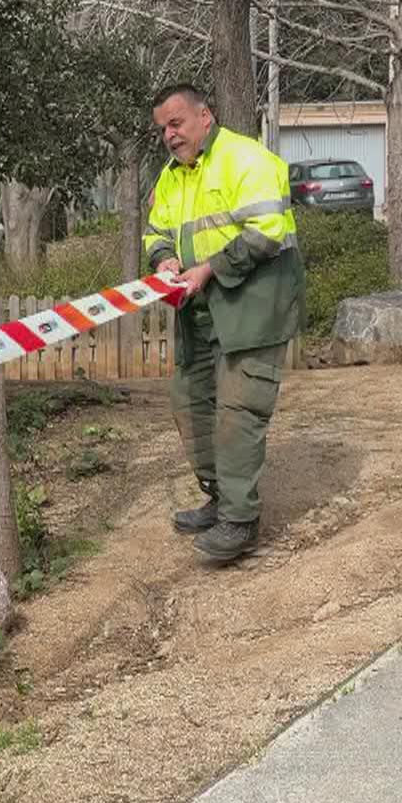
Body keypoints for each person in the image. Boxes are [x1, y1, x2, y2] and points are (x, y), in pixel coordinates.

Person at [142, 84, 304, 562]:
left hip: (254, 304)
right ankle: (219, 498)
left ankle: (241, 520)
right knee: (189, 400)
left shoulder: (245, 158)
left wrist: (207, 268)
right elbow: (155, 231)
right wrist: (165, 260)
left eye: (176, 123)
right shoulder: (172, 177)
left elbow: (267, 232)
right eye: (163, 129)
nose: (169, 135)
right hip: (201, 307)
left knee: (238, 410)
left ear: (205, 117)